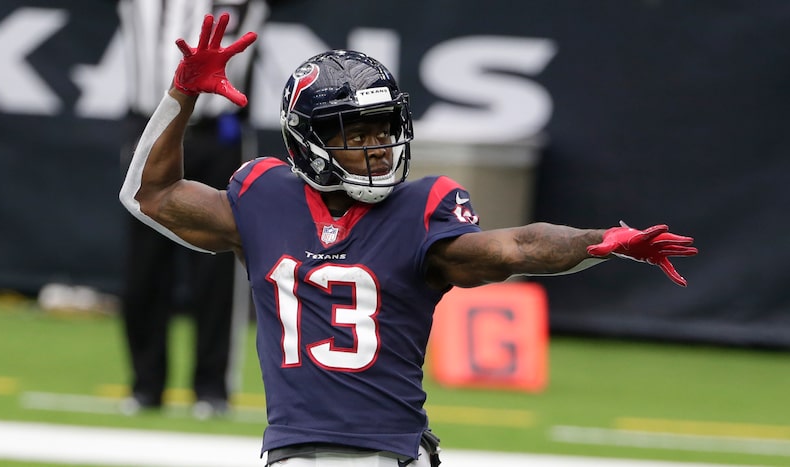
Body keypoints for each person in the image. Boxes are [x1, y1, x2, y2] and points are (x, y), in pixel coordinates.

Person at [119, 13, 698, 466]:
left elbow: (512, 247)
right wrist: (181, 94)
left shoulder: (418, 210)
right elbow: (149, 196)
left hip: (388, 452)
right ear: (308, 141)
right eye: (355, 134)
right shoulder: (265, 198)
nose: (375, 148)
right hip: (302, 453)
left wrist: (599, 241)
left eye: (383, 130)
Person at [116, 0, 269, 418]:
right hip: (151, 128)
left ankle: (212, 388)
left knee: (219, 266)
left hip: (219, 133)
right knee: (144, 269)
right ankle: (146, 387)